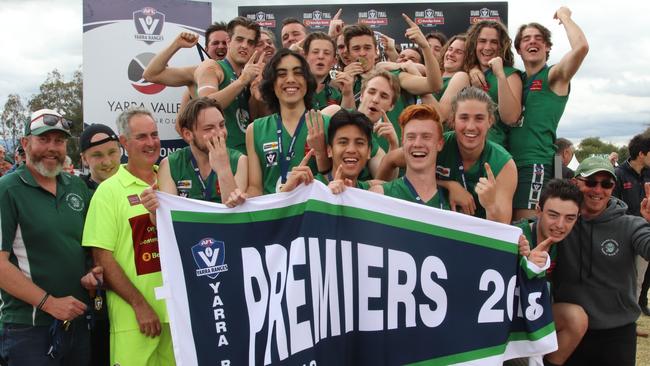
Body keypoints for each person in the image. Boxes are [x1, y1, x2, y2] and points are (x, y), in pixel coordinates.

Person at [0, 109, 93, 365]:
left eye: (59, 141)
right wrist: (49, 303)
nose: (52, 148)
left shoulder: (75, 186)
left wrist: (94, 271)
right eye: (44, 139)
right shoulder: (7, 189)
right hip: (29, 328)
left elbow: (86, 247)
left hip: (76, 323)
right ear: (25, 142)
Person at [82, 107, 174, 366]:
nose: (151, 142)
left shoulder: (171, 180)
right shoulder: (108, 191)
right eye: (142, 137)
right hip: (135, 320)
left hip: (176, 316)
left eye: (154, 135)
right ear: (124, 142)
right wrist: (139, 305)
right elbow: (102, 257)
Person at [553, 156, 650, 366]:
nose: (598, 190)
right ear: (575, 182)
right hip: (571, 332)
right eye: (590, 182)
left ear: (613, 187)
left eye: (606, 184)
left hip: (617, 334)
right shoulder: (561, 222)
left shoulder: (630, 225)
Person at [509, 7, 589, 220]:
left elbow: (581, 47)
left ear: (547, 47)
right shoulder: (515, 80)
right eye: (526, 39)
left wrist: (565, 17)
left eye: (538, 38)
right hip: (505, 164)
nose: (532, 42)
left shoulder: (553, 76)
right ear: (518, 48)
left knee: (524, 229)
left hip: (533, 164)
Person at [515, 179, 588, 365]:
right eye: (553, 215)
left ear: (577, 217)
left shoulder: (566, 242)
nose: (560, 225)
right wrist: (523, 266)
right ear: (538, 210)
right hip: (509, 320)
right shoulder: (516, 235)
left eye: (569, 218)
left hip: (538, 314)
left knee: (576, 317)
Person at [245, 49, 330, 196]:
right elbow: (255, 188)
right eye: (282, 74)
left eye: (298, 73)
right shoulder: (255, 129)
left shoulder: (327, 123)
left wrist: (321, 153)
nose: (290, 79)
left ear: (307, 81)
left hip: (314, 213)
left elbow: (336, 181)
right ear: (272, 84)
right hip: (273, 214)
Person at [141, 97, 247, 215]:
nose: (220, 133)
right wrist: (154, 211)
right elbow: (168, 219)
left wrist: (223, 169)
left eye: (222, 125)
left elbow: (236, 215)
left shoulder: (239, 160)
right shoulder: (170, 165)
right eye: (209, 128)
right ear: (187, 134)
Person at [195, 16, 263, 153]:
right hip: (221, 156)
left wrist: (256, 95)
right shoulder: (213, 66)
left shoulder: (251, 75)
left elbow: (254, 120)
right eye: (239, 39)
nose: (244, 45)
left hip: (246, 155)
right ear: (229, 41)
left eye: (250, 42)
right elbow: (204, 106)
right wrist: (241, 81)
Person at [370, 104, 449, 209]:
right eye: (411, 137)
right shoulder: (380, 194)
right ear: (403, 142)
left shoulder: (453, 202)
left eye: (426, 137)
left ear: (440, 144)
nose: (417, 143)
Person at [280, 108, 375, 193]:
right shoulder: (305, 187)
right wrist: (286, 195)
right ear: (329, 150)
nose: (351, 150)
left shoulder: (372, 193)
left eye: (359, 143)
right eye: (343, 142)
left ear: (369, 152)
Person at [465, 20, 522, 148]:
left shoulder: (510, 74)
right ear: (474, 44)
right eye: (482, 41)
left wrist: (500, 75)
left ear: (502, 46)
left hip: (493, 150)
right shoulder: (465, 73)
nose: (487, 47)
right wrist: (472, 69)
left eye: (494, 42)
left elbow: (511, 117)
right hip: (461, 150)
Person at [614, 133, 650, 317]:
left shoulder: (648, 174)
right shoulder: (618, 174)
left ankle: (632, 316)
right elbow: (613, 205)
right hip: (622, 235)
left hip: (644, 234)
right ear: (642, 154)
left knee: (639, 279)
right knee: (622, 277)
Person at [303, 32, 354, 110]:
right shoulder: (295, 89)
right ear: (305, 57)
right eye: (315, 52)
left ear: (334, 61)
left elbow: (349, 119)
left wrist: (347, 94)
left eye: (326, 53)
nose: (321, 56)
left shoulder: (337, 95)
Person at [79, 124, 121, 192]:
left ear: (120, 151)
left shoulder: (138, 187)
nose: (107, 162)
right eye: (98, 155)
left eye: (112, 152)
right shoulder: (78, 194)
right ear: (84, 159)